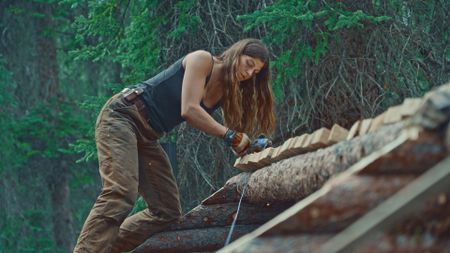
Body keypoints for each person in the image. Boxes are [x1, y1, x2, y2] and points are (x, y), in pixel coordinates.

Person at [73, 38, 276, 253]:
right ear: (238, 53)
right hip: (123, 116)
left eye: (255, 72)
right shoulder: (203, 60)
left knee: (166, 211)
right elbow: (189, 109)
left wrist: (245, 145)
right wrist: (231, 136)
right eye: (249, 64)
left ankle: (103, 248)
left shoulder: (228, 89)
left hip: (147, 135)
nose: (249, 73)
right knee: (121, 192)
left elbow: (231, 133)